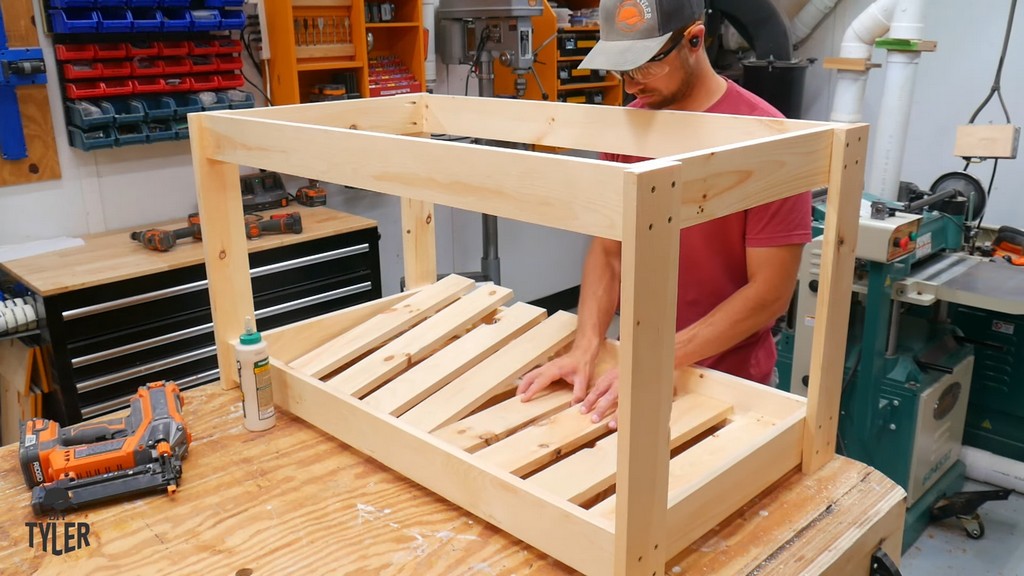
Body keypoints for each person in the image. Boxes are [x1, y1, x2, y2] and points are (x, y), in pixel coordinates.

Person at [516, 0, 811, 428]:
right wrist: (586, 347)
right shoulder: (627, 129)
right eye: (623, 70)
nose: (633, 86)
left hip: (730, 382)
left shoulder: (768, 139)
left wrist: (659, 359)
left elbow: (768, 294)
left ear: (695, 39)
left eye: (645, 66)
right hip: (638, 360)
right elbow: (609, 252)